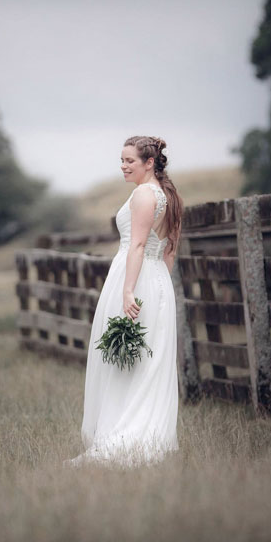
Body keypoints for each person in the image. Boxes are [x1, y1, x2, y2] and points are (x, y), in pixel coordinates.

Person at [72, 135, 183, 466]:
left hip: (135, 278)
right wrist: (160, 288)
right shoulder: (169, 195)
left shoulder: (144, 195)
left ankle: (126, 437)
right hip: (157, 280)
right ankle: (146, 435)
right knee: (145, 360)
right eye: (121, 160)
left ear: (149, 163)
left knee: (129, 362)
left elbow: (136, 246)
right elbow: (170, 250)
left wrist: (128, 290)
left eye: (129, 161)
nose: (123, 166)